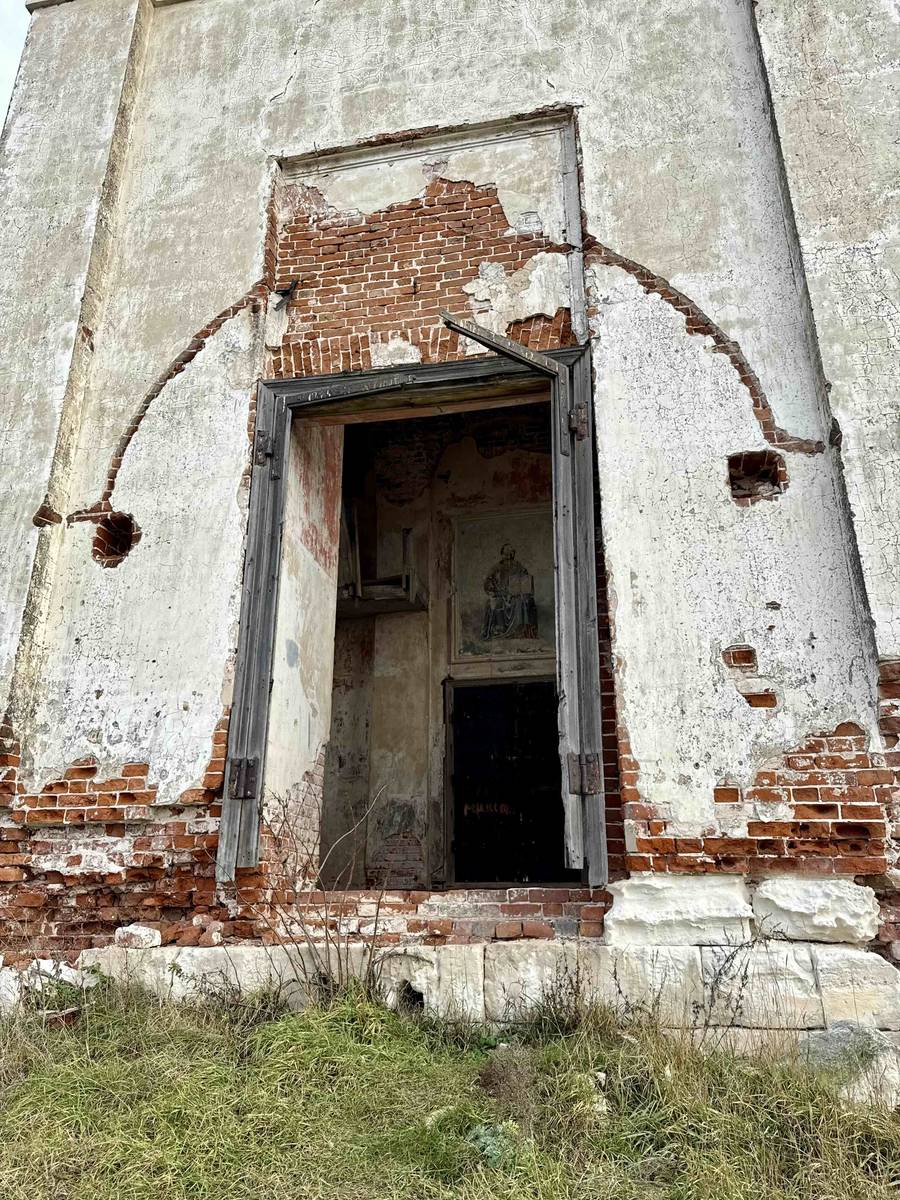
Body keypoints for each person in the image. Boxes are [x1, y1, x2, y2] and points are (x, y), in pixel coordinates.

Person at [481, 543, 538, 640]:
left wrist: (524, 586)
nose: (508, 556)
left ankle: (520, 631)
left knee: (524, 602)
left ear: (513, 554)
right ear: (502, 554)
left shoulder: (518, 566)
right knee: (494, 604)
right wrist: (492, 590)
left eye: (510, 553)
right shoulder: (496, 567)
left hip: (515, 595)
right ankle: (499, 630)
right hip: (500, 595)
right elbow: (488, 581)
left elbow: (525, 578)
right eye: (506, 553)